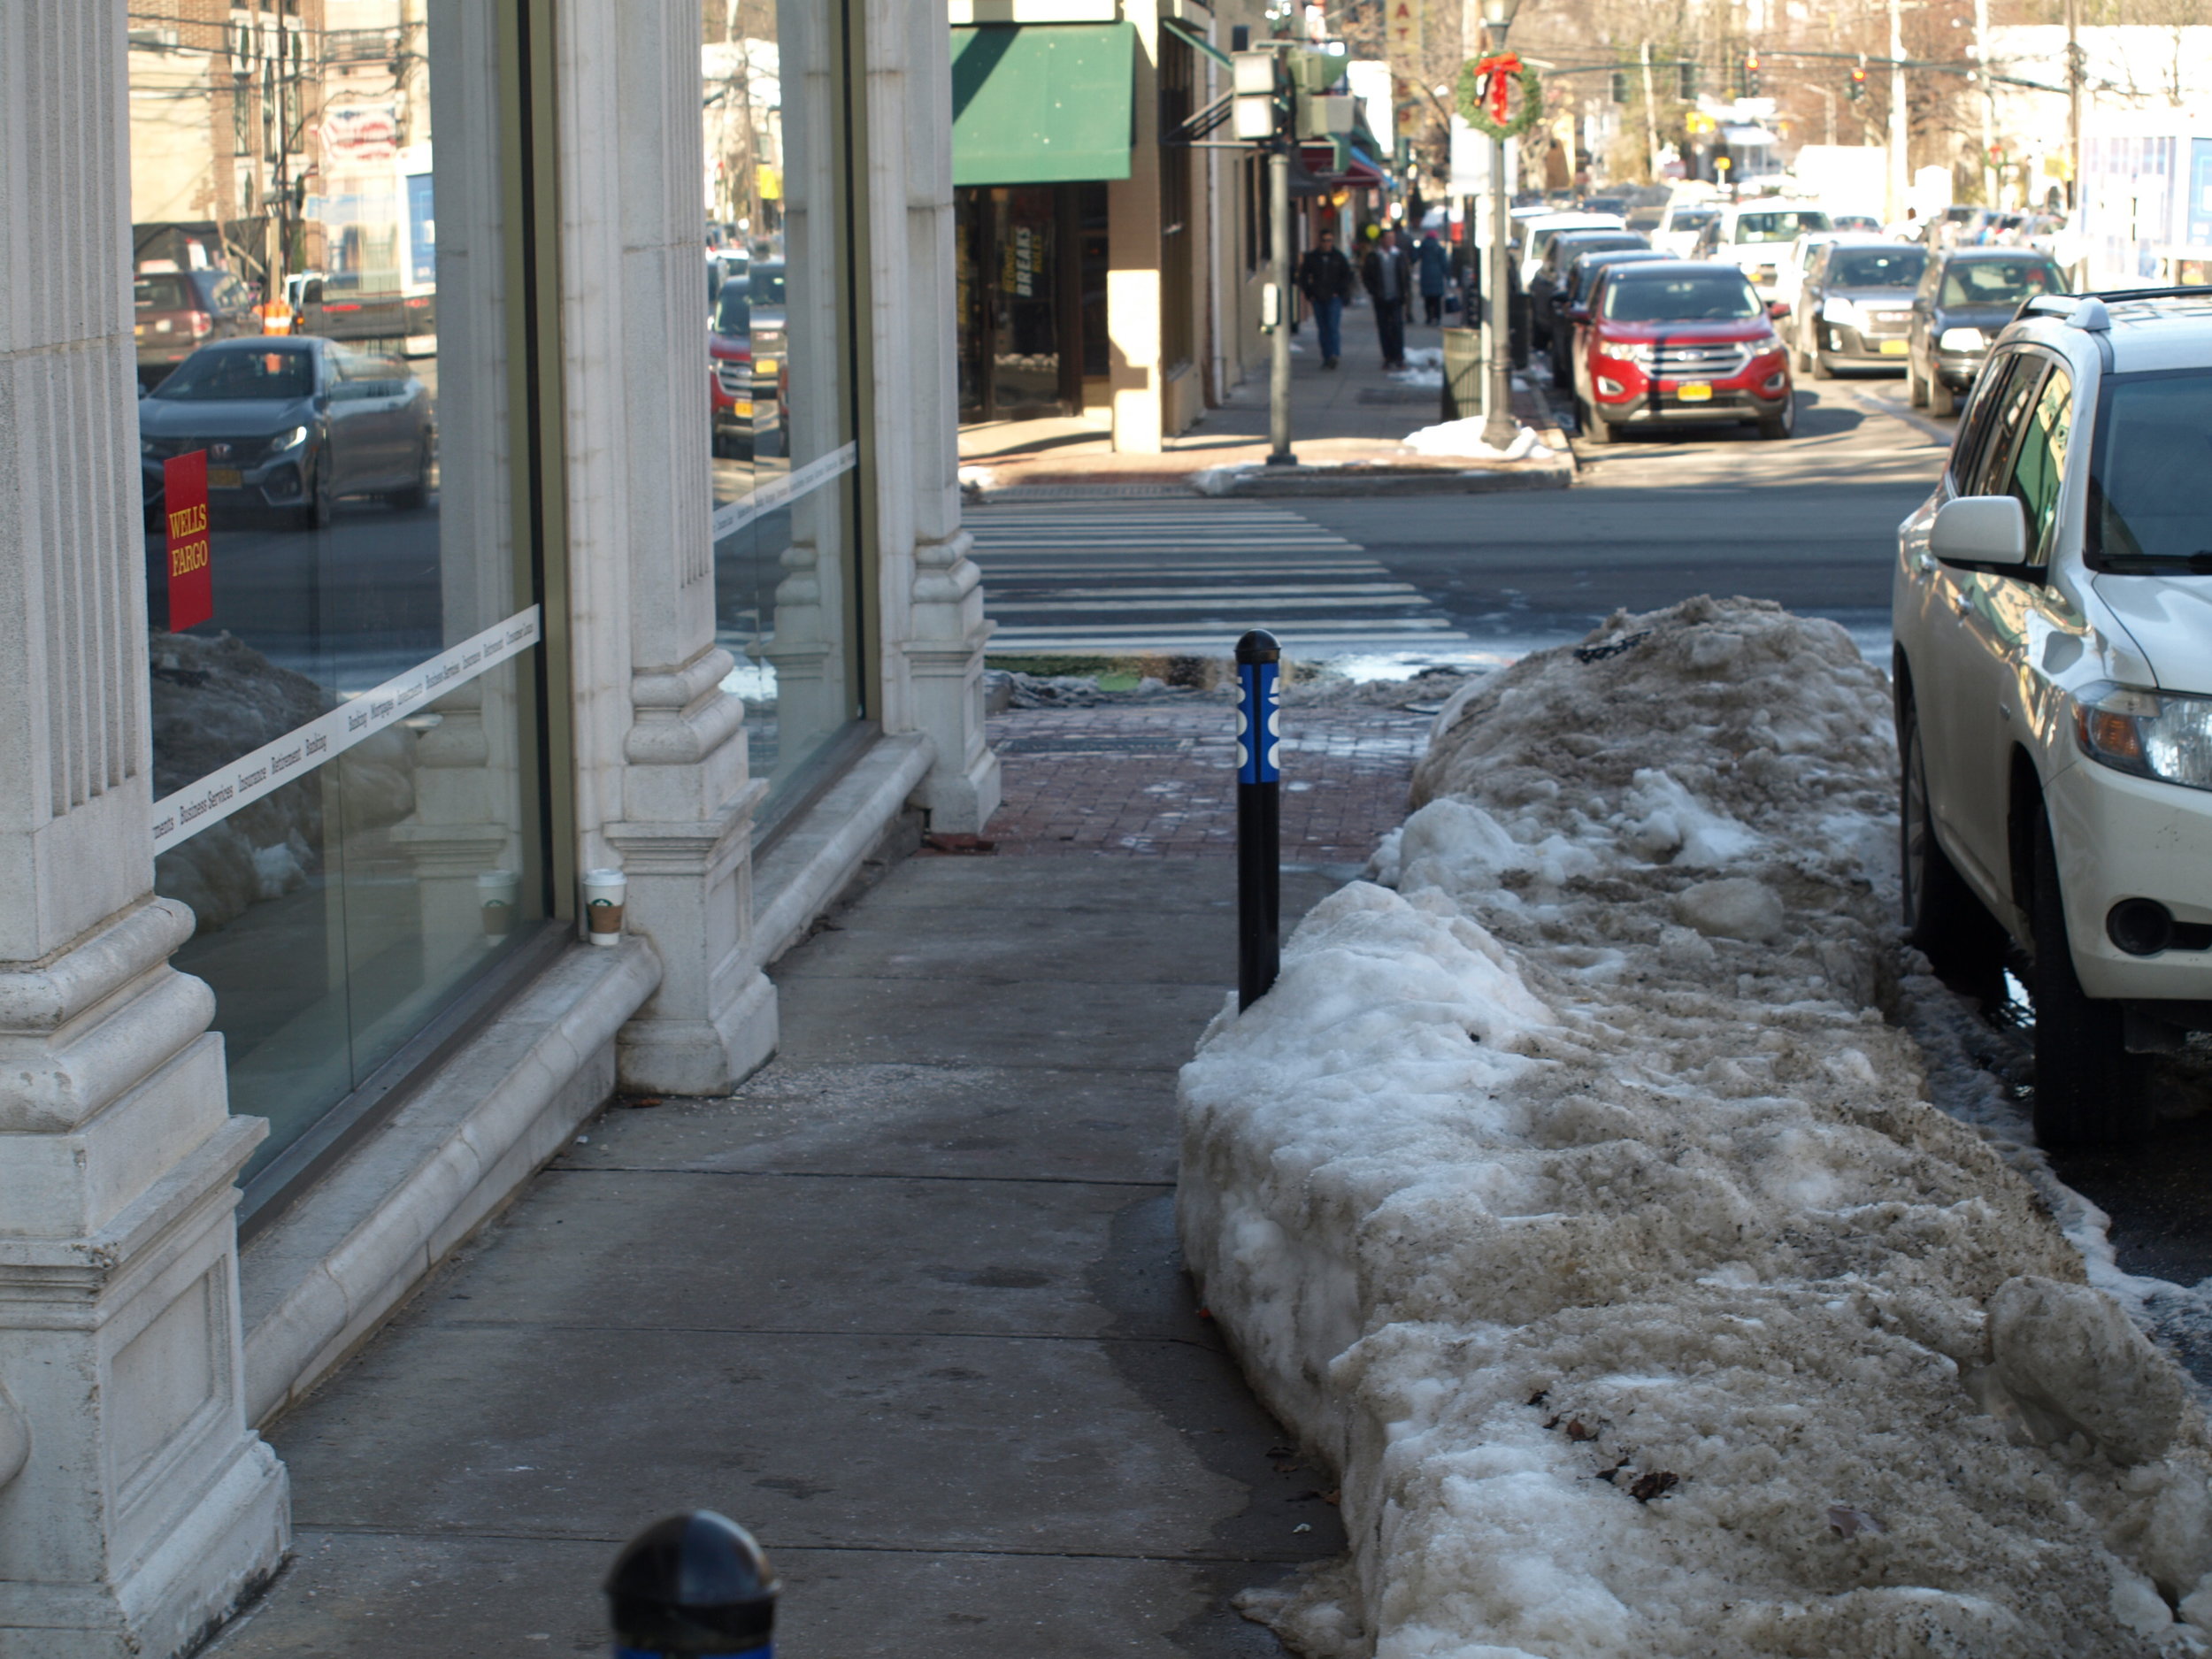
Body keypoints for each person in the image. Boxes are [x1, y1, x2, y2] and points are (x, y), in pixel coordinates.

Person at [1295, 228, 1356, 369]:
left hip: (1334, 297)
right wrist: (1310, 294)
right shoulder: (1312, 258)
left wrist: (1340, 292)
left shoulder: (1338, 257)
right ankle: (1327, 356)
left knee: (1332, 326)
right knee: (1323, 328)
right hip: (1318, 298)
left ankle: (1334, 354)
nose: (1327, 243)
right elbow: (1303, 277)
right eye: (1324, 240)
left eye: (1329, 240)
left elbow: (1346, 276)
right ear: (1320, 241)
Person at [1362, 227, 1413, 369]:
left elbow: (1406, 277)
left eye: (1392, 238)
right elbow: (1366, 276)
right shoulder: (1374, 257)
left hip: (1396, 297)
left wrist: (1405, 293)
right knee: (1384, 328)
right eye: (1388, 238)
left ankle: (1399, 357)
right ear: (1382, 240)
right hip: (1380, 298)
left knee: (1397, 327)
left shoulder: (1400, 256)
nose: (1391, 241)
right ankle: (1388, 357)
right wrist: (1373, 291)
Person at [1416, 231, 1450, 326]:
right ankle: (1437, 318)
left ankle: (1429, 318)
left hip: (1426, 274)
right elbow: (1444, 263)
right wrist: (1447, 276)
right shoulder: (1439, 248)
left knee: (1427, 299)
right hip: (1437, 275)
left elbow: (1415, 257)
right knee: (1437, 299)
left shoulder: (1423, 247)